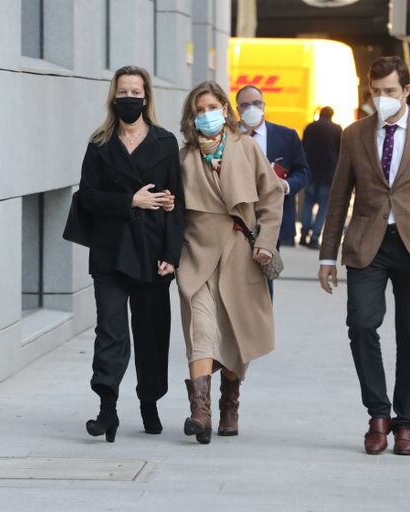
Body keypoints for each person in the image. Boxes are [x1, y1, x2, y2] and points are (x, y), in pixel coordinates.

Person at [317, 57, 410, 456]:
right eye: (375, 92)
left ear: (407, 90)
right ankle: (378, 414)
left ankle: (405, 425)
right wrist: (327, 257)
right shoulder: (354, 133)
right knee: (362, 325)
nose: (382, 99)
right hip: (368, 243)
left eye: (390, 92)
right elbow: (338, 196)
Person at [78, 65, 184, 443]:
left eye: (135, 92)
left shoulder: (165, 142)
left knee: (151, 331)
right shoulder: (99, 144)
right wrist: (131, 200)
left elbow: (178, 202)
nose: (129, 98)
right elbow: (86, 197)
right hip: (110, 252)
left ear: (146, 97)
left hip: (153, 251)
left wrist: (173, 254)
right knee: (110, 330)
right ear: (113, 96)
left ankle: (149, 401)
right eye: (123, 92)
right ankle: (107, 409)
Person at [177, 81, 283, 444]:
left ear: (225, 108)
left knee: (236, 332)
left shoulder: (247, 147)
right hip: (197, 255)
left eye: (211, 107)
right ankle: (200, 413)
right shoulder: (185, 156)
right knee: (201, 331)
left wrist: (266, 243)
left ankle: (229, 404)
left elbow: (271, 199)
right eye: (199, 109)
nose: (206, 114)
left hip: (241, 253)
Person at [235, 85, 309, 247]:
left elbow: (303, 172)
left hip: (273, 219)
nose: (252, 109)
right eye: (245, 105)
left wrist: (285, 185)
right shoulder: (228, 136)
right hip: (236, 219)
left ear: (264, 105)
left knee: (267, 269)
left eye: (256, 103)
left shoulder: (286, 136)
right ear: (237, 109)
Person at [300, 106, 342, 249]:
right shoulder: (337, 129)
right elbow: (340, 152)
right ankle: (315, 237)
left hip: (310, 172)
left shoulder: (310, 127)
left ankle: (304, 234)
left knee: (308, 203)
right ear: (332, 115)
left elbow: (303, 147)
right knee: (323, 207)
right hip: (328, 175)